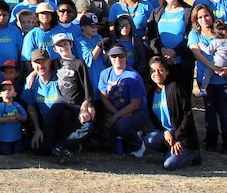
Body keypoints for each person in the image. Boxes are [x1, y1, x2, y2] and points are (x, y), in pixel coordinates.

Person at [188, 4, 227, 154]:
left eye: (206, 15)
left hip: (223, 78)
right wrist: (214, 68)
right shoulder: (195, 34)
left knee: (224, 110)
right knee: (209, 109)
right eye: (200, 17)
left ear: (212, 15)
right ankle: (211, 138)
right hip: (206, 78)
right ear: (196, 20)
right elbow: (197, 54)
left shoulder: (221, 31)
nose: (204, 19)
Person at [44, 33, 96, 164]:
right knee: (50, 118)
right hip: (62, 100)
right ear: (55, 49)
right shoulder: (56, 63)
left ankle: (63, 145)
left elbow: (87, 87)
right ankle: (54, 149)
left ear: (71, 44)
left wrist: (88, 106)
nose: (63, 48)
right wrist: (33, 75)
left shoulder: (79, 63)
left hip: (77, 103)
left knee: (88, 126)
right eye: (59, 46)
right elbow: (41, 68)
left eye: (65, 44)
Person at [143, 57, 202, 170]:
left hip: (183, 135)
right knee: (150, 139)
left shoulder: (175, 88)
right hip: (167, 134)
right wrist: (165, 131)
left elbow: (187, 114)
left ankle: (192, 152)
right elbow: (154, 118)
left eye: (160, 70)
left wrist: (177, 137)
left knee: (169, 165)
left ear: (167, 71)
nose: (157, 74)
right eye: (153, 71)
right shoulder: (151, 93)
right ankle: (170, 149)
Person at [97, 46, 151, 157]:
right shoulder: (104, 74)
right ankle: (131, 137)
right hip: (117, 112)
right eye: (114, 56)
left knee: (122, 125)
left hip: (137, 112)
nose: (118, 59)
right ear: (109, 58)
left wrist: (116, 116)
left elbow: (135, 104)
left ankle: (138, 145)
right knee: (112, 147)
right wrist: (116, 114)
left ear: (126, 57)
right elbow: (104, 98)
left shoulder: (134, 77)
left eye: (121, 56)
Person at [146, 0, 194, 96]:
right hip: (163, 63)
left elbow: (192, 36)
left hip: (182, 62)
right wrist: (161, 50)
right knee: (165, 95)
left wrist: (175, 51)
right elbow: (151, 36)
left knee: (183, 95)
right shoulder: (157, 12)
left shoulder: (189, 11)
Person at [197, 20, 227, 100]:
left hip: (217, 62)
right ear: (225, 32)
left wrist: (202, 44)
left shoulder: (216, 42)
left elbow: (209, 51)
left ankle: (203, 89)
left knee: (207, 74)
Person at [0, 80, 28, 155]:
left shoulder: (17, 105)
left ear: (15, 93)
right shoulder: (0, 106)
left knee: (17, 152)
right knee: (6, 152)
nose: (7, 91)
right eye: (3, 90)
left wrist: (20, 117)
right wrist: (9, 119)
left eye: (9, 89)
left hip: (17, 137)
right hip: (5, 138)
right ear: (0, 94)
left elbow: (25, 117)